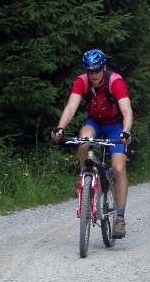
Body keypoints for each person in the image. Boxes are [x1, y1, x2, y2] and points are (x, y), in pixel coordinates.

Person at [51, 49, 132, 239]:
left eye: (97, 70)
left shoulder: (115, 81)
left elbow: (127, 110)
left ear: (104, 68)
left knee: (119, 169)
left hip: (115, 125)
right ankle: (86, 179)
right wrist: (60, 128)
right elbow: (71, 106)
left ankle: (119, 217)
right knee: (83, 140)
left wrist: (125, 131)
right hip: (94, 122)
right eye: (89, 71)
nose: (94, 75)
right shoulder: (82, 82)